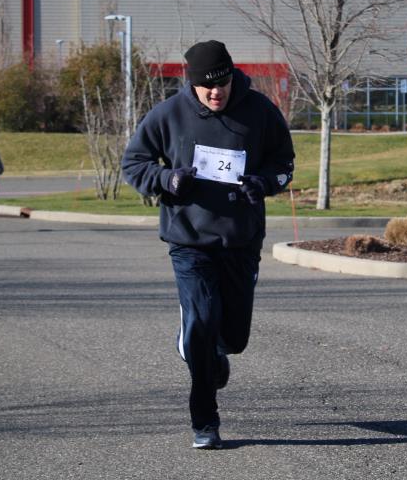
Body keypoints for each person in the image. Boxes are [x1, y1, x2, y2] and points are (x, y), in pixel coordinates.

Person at [121, 40, 294, 450]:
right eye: (207, 86)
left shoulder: (260, 111)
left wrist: (263, 183)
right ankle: (205, 421)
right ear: (192, 83)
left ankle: (213, 353)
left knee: (233, 339)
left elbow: (284, 163)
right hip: (190, 240)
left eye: (223, 83)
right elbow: (134, 163)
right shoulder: (168, 115)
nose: (216, 92)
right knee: (200, 325)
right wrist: (167, 180)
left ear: (233, 76)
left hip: (241, 239)